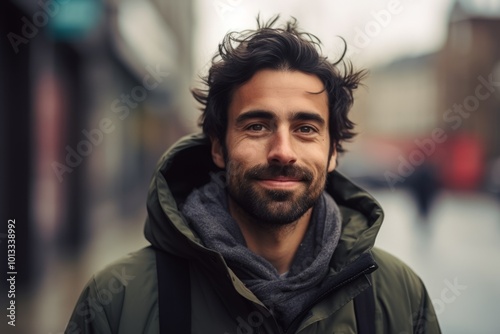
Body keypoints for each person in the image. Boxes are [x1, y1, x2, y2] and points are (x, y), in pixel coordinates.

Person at [66, 16, 441, 334]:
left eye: (306, 128)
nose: (282, 151)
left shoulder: (399, 298)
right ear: (218, 146)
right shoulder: (117, 302)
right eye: (258, 126)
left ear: (332, 153)